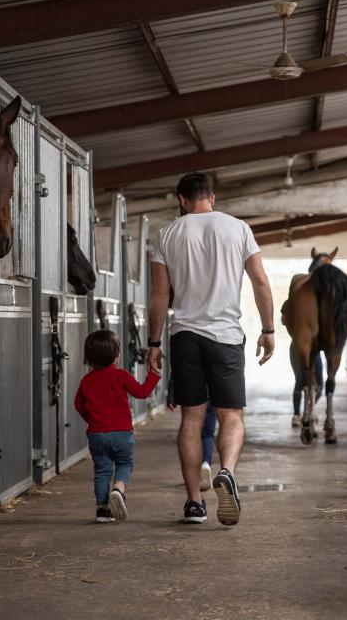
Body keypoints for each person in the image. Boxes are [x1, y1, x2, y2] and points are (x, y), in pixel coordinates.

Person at [148, 171, 275, 526]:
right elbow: (260, 281)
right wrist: (268, 330)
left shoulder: (168, 234)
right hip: (226, 336)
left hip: (185, 335)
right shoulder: (239, 229)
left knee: (192, 417)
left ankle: (193, 503)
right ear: (212, 198)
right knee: (231, 415)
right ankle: (228, 472)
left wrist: (154, 343)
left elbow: (160, 295)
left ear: (181, 199)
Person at [75, 329, 160, 523]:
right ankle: (118, 489)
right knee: (124, 464)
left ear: (89, 357)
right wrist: (153, 376)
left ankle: (102, 510)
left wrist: (92, 420)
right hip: (122, 432)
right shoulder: (121, 376)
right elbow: (141, 392)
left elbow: (78, 404)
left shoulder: (87, 381)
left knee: (102, 470)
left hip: (97, 434)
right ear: (116, 355)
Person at [289, 344, 324, 428]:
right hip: (308, 349)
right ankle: (305, 411)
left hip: (297, 348)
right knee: (318, 385)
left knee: (300, 382)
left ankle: (299, 414)